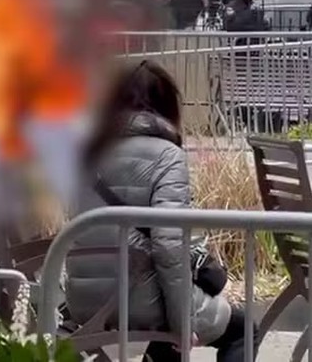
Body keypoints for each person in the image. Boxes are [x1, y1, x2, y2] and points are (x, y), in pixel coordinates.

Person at [65, 61, 259, 362]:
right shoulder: (167, 156)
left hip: (84, 300)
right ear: (166, 105)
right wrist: (184, 323)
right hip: (141, 298)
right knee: (244, 330)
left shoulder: (87, 154)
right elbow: (169, 246)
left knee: (166, 336)